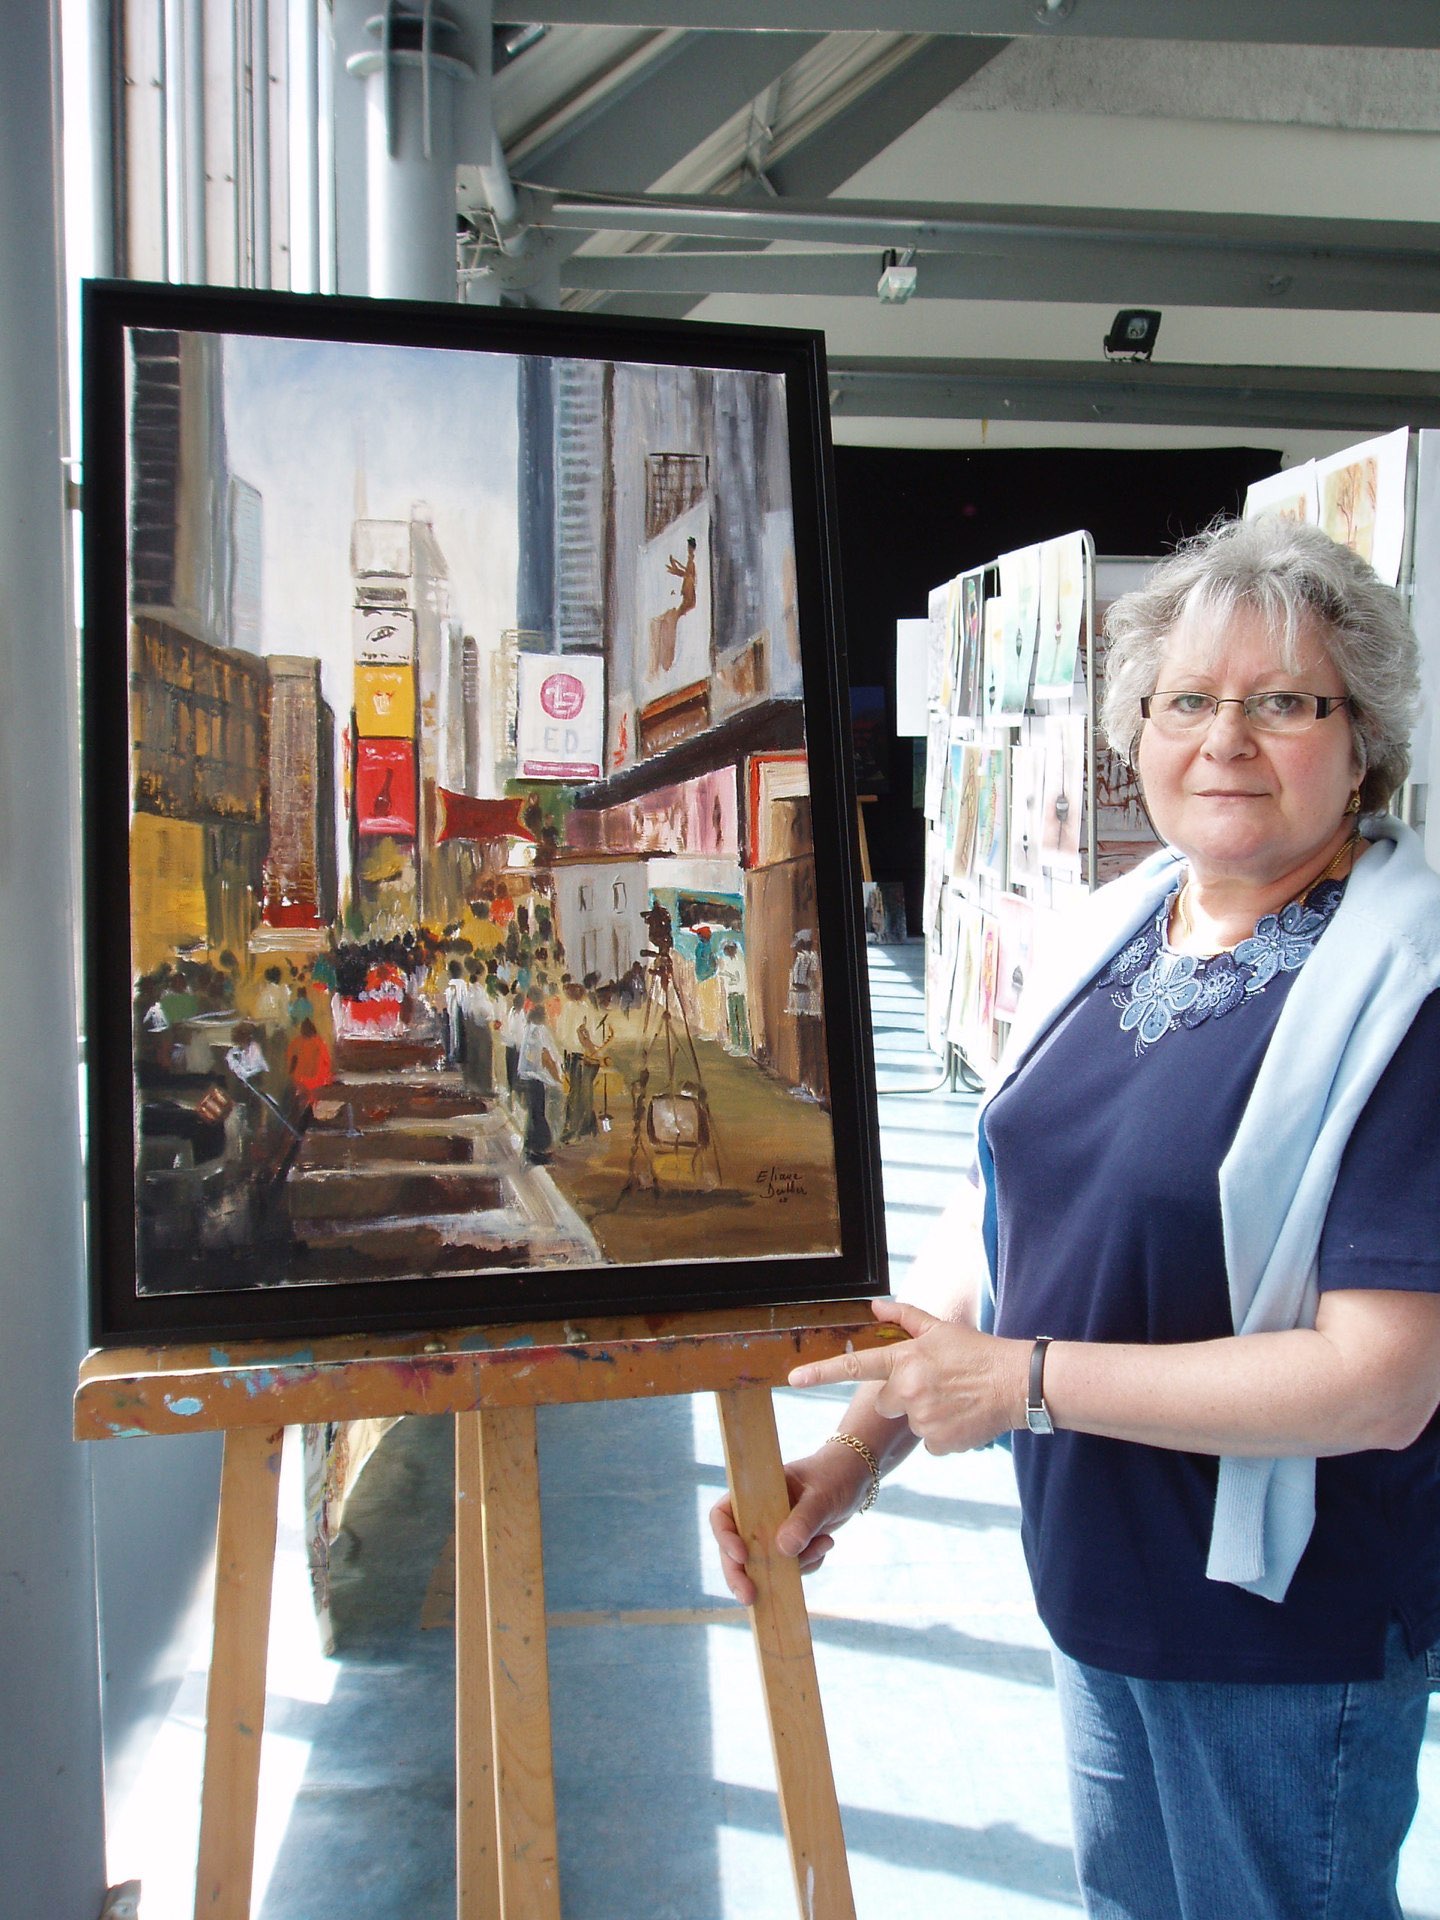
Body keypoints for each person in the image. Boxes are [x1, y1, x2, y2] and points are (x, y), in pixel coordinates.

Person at [712, 517, 1440, 1920]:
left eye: (1285, 701)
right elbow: (1005, 1227)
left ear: (1364, 742)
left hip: (1283, 1642)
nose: (1226, 739)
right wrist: (858, 1454)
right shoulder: (1117, 925)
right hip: (1104, 1589)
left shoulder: (1408, 991)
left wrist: (1031, 1388)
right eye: (1187, 701)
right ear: (1138, 733)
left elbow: (1387, 1381)